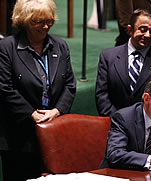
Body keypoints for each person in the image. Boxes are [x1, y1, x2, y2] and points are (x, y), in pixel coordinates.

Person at [0, 0, 76, 180]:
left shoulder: (60, 45)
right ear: (24, 20)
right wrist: (32, 114)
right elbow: (4, 87)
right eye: (38, 22)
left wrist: (57, 111)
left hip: (53, 133)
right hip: (18, 137)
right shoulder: (7, 47)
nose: (45, 26)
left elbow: (70, 85)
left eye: (49, 21)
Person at [95, 8, 151, 116]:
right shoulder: (108, 57)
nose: (148, 35)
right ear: (130, 30)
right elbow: (102, 95)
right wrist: (119, 122)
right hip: (113, 125)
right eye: (143, 29)